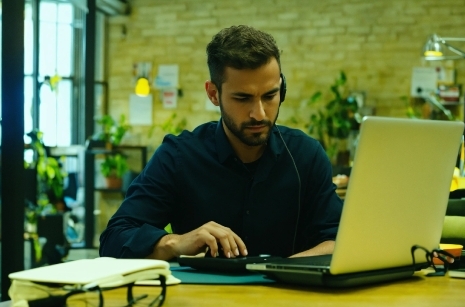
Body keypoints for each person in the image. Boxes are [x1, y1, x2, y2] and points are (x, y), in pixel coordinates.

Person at [99, 25, 343, 260]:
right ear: (213, 94)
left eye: (270, 96)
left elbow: (338, 242)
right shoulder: (179, 156)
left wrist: (279, 271)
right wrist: (176, 242)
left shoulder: (306, 156)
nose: (259, 114)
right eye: (242, 98)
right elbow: (114, 239)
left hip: (289, 297)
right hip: (202, 301)